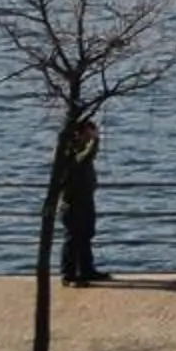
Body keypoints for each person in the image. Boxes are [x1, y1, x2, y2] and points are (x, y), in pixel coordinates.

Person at [58, 118, 104, 286]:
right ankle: (68, 274)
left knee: (86, 235)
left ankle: (87, 270)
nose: (89, 137)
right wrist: (95, 141)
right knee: (73, 238)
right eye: (88, 133)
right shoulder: (69, 151)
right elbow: (84, 158)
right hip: (73, 202)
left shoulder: (79, 148)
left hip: (85, 200)